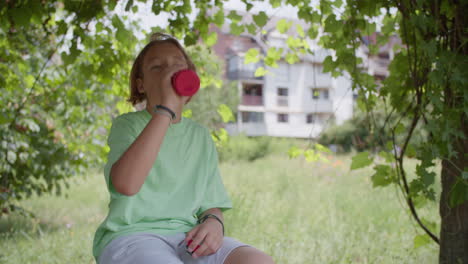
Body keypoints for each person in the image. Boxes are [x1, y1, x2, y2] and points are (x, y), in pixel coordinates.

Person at [92, 32, 274, 264]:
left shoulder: (200, 136)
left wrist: (214, 223)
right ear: (141, 85)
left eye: (177, 66)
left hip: (186, 238)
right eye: (157, 67)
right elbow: (126, 185)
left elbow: (211, 205)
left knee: (258, 261)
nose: (169, 72)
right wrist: (165, 110)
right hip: (132, 236)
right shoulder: (127, 125)